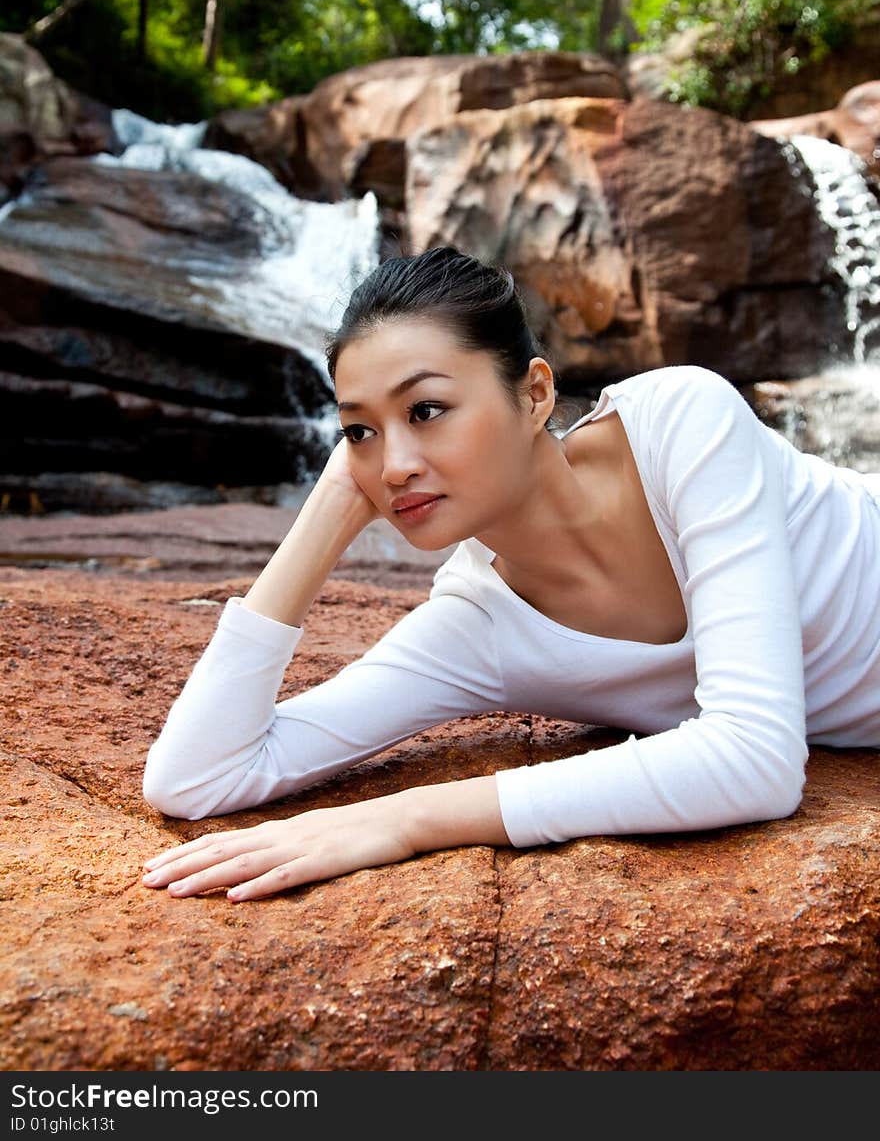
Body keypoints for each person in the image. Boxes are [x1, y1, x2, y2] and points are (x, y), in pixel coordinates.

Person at [140, 245, 880, 903]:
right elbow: (196, 779)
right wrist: (329, 508)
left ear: (534, 394)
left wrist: (403, 820)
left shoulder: (684, 424)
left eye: (426, 409)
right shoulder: (477, 628)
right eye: (359, 431)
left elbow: (756, 759)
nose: (393, 465)